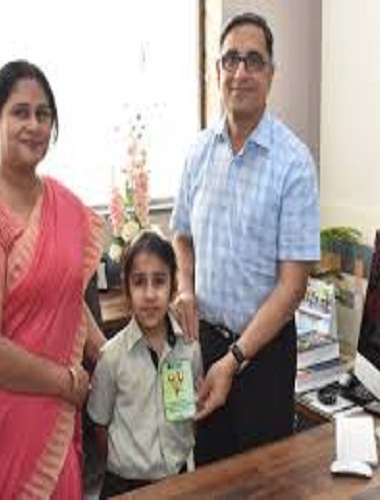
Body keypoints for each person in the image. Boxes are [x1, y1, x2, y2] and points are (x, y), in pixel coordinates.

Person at [0, 60, 106, 499]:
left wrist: (111, 355)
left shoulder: (63, 204)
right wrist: (67, 383)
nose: (33, 125)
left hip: (51, 420)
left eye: (43, 114)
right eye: (20, 112)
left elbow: (65, 297)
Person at [171, 12, 320, 465]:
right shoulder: (198, 152)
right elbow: (181, 234)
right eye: (231, 59)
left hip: (264, 357)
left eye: (254, 61)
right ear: (216, 71)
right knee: (208, 473)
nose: (241, 72)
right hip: (206, 346)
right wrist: (185, 287)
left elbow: (293, 287)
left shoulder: (293, 163)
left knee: (263, 481)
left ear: (271, 74)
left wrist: (235, 359)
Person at [87, 230, 202, 498]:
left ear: (173, 287)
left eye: (159, 281)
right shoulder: (111, 357)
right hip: (124, 484)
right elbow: (100, 425)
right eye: (139, 282)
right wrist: (124, 465)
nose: (150, 294)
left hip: (178, 479)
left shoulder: (190, 349)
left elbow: (191, 416)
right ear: (127, 289)